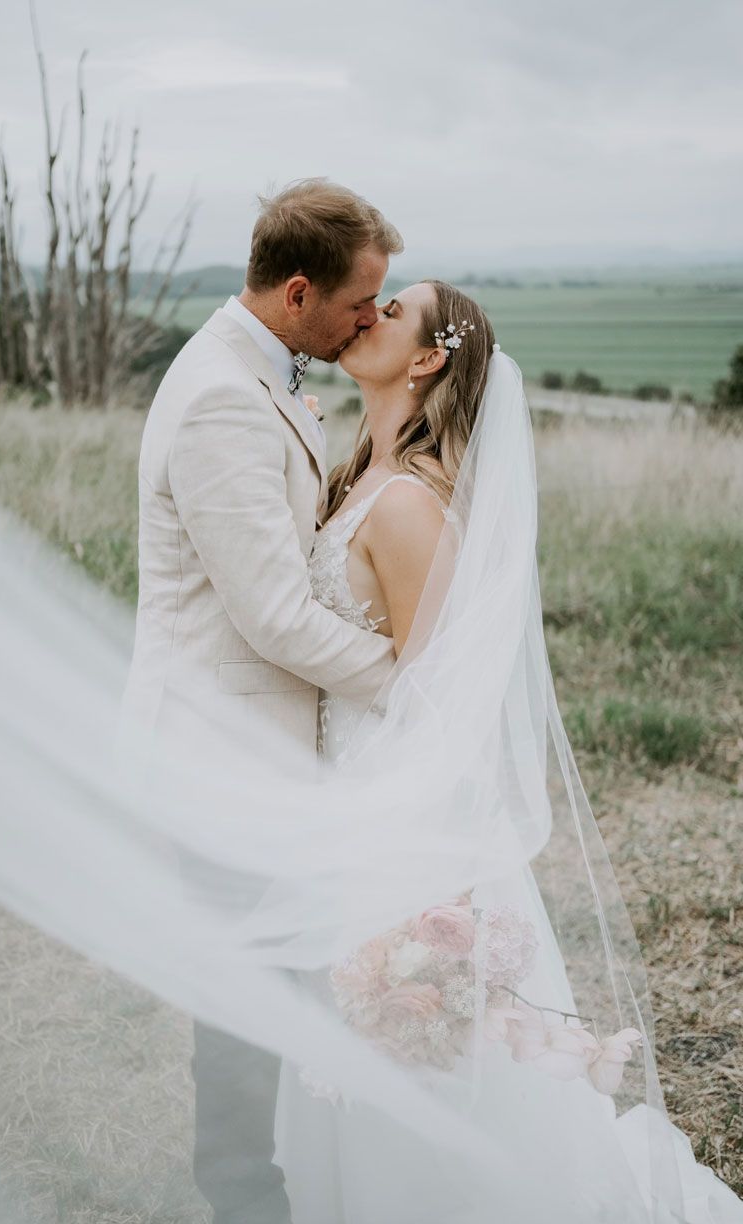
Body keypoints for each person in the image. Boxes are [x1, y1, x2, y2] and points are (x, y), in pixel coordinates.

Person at [270, 278, 743, 1223]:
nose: (364, 315)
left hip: (392, 823)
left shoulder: (406, 507)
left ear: (428, 359)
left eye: (389, 310)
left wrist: (406, 866)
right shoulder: (357, 471)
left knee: (411, 1053)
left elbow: (443, 707)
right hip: (341, 801)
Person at [122, 179, 402, 1224]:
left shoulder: (264, 375)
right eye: (357, 304)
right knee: (243, 1009)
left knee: (294, 986)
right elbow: (276, 616)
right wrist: (411, 688)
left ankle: (302, 1176)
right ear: (297, 293)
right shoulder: (219, 402)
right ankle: (245, 1201)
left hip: (261, 753)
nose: (369, 321)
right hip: (220, 756)